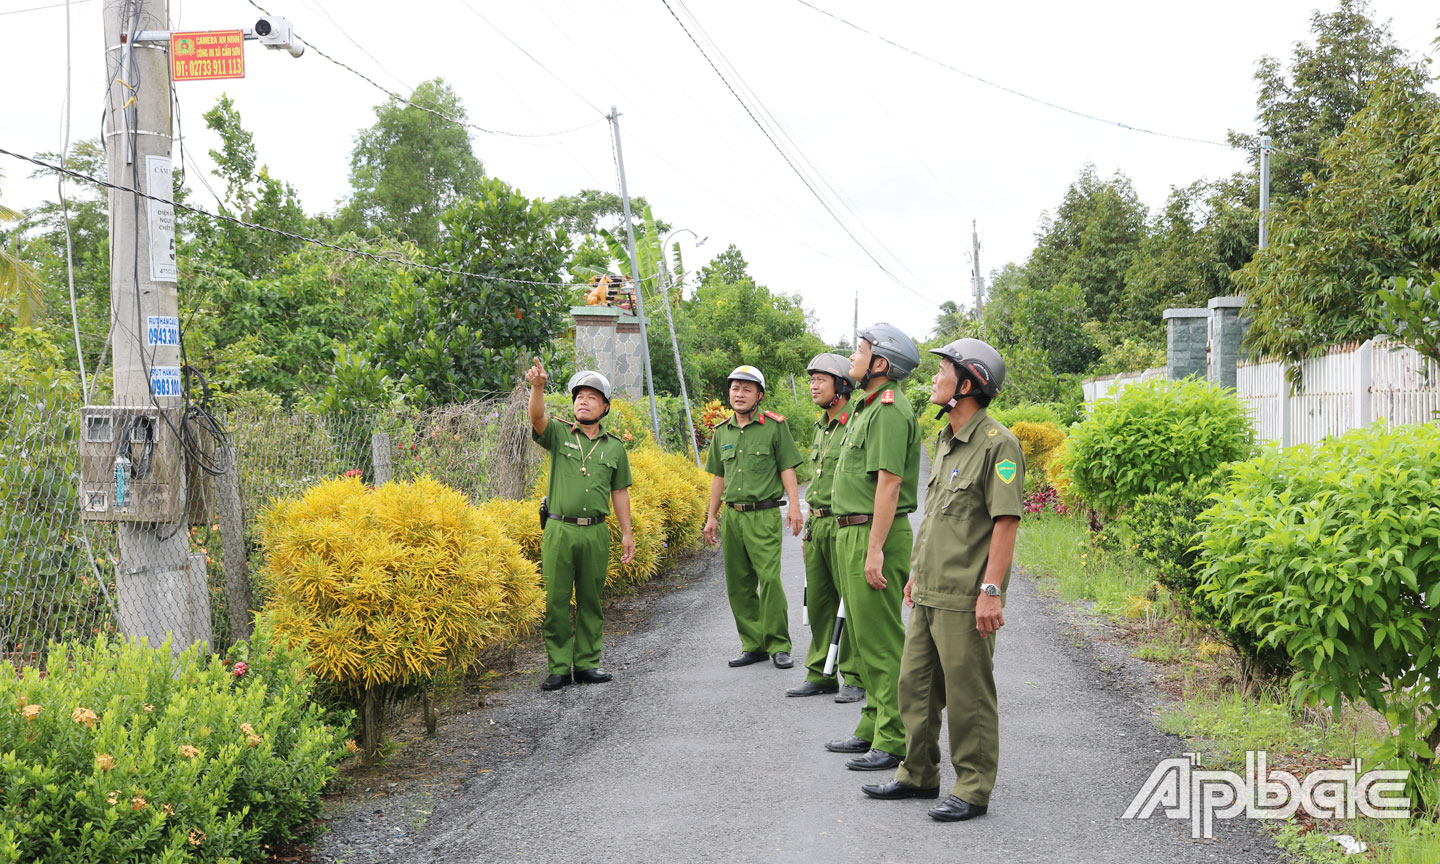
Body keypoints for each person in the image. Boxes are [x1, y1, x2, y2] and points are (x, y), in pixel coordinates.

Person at [860, 338, 1023, 823]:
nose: (933, 379)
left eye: (943, 371)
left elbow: (1005, 522)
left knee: (968, 693)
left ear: (968, 383)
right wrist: (916, 575)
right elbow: (936, 517)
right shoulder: (946, 440)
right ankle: (918, 773)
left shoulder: (999, 443)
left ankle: (972, 787)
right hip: (930, 589)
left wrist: (991, 591)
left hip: (965, 596)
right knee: (914, 686)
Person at [823, 324, 922, 772]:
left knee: (881, 641)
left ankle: (896, 737)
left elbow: (889, 483)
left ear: (880, 364)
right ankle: (873, 726)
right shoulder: (864, 408)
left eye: (859, 351)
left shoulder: (887, 410)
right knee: (863, 639)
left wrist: (876, 548)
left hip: (872, 533)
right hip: (851, 531)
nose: (851, 359)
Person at [525, 359, 636, 692]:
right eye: (578, 397)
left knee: (591, 599)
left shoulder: (615, 447)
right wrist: (538, 386)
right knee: (557, 600)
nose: (582, 401)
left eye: (591, 397)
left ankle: (587, 663)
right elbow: (536, 417)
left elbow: (619, 492)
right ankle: (559, 667)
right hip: (559, 529)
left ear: (604, 407)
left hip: (596, 532)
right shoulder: (559, 433)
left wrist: (627, 533)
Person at [703, 365, 805, 669]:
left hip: (764, 514)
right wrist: (711, 517)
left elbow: (787, 467)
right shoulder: (722, 432)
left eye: (747, 389)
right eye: (735, 388)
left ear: (758, 395)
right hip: (732, 516)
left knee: (770, 579)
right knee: (738, 583)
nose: (739, 394)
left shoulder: (774, 427)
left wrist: (796, 507)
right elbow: (718, 477)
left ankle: (778, 644)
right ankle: (753, 644)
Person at [786, 353, 865, 704]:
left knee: (850, 602)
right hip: (817, 525)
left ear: (842, 385)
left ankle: (855, 674)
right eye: (811, 379)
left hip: (843, 524)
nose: (813, 385)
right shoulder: (820, 427)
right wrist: (807, 531)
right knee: (818, 602)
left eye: (821, 379)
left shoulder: (856, 423)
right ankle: (820, 672)